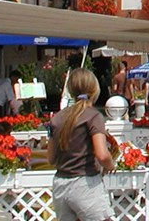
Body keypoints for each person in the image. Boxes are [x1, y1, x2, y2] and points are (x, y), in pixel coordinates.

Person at [47, 68, 115, 221]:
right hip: (85, 183)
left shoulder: (57, 119)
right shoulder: (93, 116)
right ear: (94, 89)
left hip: (61, 184)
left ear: (70, 91)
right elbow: (102, 155)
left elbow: (51, 158)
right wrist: (110, 165)